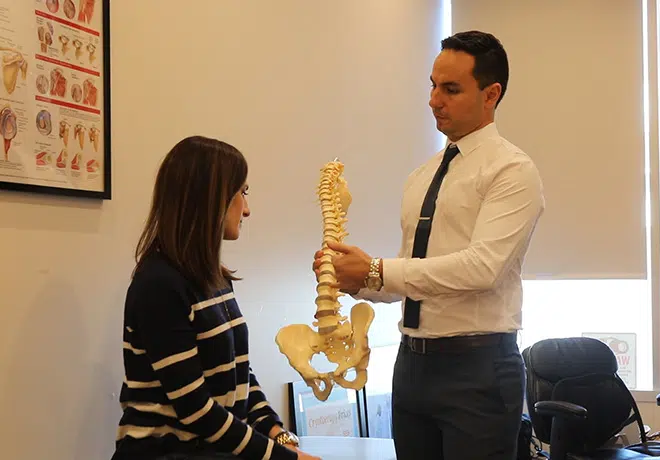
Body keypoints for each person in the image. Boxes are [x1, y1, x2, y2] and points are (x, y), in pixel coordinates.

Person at [313, 31, 545, 460]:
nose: (434, 99)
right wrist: (355, 279)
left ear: (491, 94)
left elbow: (481, 268)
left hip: (477, 370)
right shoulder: (422, 175)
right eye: (433, 85)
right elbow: (414, 271)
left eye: (451, 89)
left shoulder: (513, 171)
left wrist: (376, 270)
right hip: (412, 366)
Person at [113, 136, 320, 460]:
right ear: (211, 199)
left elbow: (240, 376)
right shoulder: (159, 285)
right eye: (243, 193)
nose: (247, 209)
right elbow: (196, 409)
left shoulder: (215, 279)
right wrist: (281, 457)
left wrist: (278, 434)